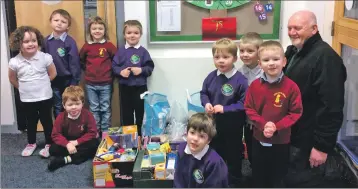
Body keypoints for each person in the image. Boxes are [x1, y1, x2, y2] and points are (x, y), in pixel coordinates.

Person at [283, 10, 347, 187]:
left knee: (303, 181)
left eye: (297, 28)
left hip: (308, 142)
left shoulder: (326, 58)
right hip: (292, 135)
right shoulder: (296, 51)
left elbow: (332, 106)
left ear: (314, 29)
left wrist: (321, 146)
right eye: (289, 28)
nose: (292, 32)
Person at [244, 40, 303, 187]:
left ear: (284, 62)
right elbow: (249, 108)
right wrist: (264, 125)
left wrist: (276, 126)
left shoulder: (291, 87)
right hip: (258, 138)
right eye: (266, 60)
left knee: (278, 176)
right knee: (258, 173)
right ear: (259, 64)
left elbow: (295, 112)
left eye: (276, 59)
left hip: (281, 141)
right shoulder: (254, 86)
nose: (271, 63)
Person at [200, 38, 248, 186]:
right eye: (217, 57)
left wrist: (225, 109)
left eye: (226, 57)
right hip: (214, 126)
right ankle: (216, 181)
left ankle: (235, 183)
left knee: (233, 157)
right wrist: (207, 103)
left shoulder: (241, 80)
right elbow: (204, 93)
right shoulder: (211, 77)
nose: (221, 61)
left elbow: (244, 103)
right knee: (215, 153)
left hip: (233, 127)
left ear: (234, 58)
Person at [8, 26, 57, 157]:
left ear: (38, 41)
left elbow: (53, 73)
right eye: (26, 41)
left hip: (45, 97)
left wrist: (43, 85)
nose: (31, 44)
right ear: (19, 43)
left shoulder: (45, 57)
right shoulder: (14, 62)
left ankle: (49, 143)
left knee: (47, 121)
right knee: (31, 122)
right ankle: (31, 143)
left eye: (34, 40)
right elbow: (12, 78)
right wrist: (23, 88)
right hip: (27, 98)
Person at [112, 20, 154, 136]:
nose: (132, 35)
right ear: (124, 35)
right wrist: (121, 72)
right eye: (129, 32)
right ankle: (129, 138)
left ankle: (140, 136)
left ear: (140, 35)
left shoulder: (143, 51)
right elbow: (114, 66)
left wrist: (141, 70)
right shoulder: (120, 51)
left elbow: (150, 67)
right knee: (127, 114)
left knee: (140, 113)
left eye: (136, 33)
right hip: (125, 87)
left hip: (140, 88)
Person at [79, 16, 117, 138]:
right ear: (89, 31)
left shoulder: (109, 46)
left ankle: (105, 132)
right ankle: (95, 131)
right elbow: (82, 61)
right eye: (94, 28)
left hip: (106, 83)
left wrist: (109, 73)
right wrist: (89, 72)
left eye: (100, 28)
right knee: (94, 109)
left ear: (104, 31)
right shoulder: (86, 46)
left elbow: (116, 60)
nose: (97, 31)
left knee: (105, 108)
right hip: (90, 84)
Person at [48, 86, 98, 171]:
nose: (74, 107)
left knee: (96, 144)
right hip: (67, 141)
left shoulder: (88, 115)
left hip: (82, 141)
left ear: (82, 103)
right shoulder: (60, 117)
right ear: (64, 105)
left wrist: (77, 142)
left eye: (77, 104)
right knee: (52, 149)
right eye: (70, 104)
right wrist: (67, 144)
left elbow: (92, 133)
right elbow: (56, 134)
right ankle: (77, 157)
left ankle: (66, 159)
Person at [42, 9, 81, 118]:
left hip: (67, 80)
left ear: (68, 26)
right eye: (56, 20)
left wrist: (74, 81)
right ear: (51, 22)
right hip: (52, 80)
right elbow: (42, 61)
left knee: (69, 105)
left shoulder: (69, 42)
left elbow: (74, 63)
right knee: (57, 105)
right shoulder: (46, 42)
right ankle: (59, 129)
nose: (59, 23)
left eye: (63, 21)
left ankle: (70, 128)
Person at [174, 113, 229, 188]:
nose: (195, 139)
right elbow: (178, 179)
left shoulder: (214, 162)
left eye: (202, 136)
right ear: (186, 133)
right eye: (192, 133)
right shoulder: (181, 150)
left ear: (208, 140)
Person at [238, 32, 263, 165]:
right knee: (251, 151)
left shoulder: (265, 72)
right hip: (247, 122)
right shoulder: (240, 72)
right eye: (241, 51)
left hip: (261, 122)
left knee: (262, 153)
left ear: (259, 52)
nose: (245, 54)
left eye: (250, 51)